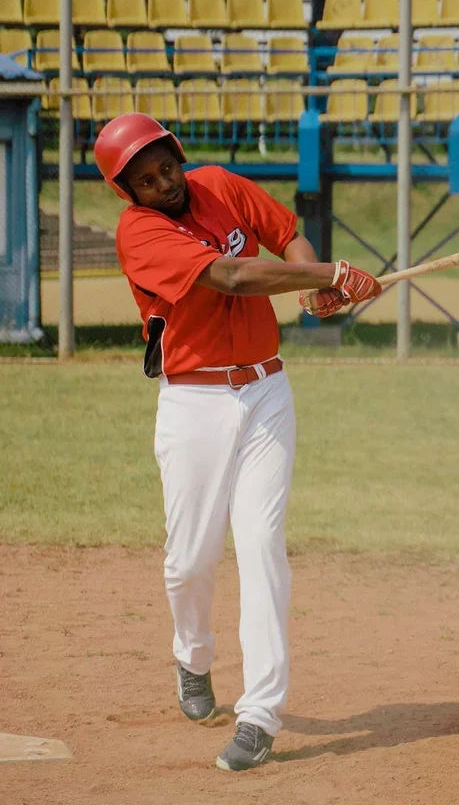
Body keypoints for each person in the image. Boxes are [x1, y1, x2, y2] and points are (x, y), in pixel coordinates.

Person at [94, 113, 380, 771]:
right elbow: (233, 276)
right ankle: (192, 656)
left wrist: (316, 287)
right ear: (128, 192)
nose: (163, 184)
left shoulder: (220, 185)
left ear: (177, 154)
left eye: (166, 167)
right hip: (195, 401)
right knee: (190, 561)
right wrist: (330, 275)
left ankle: (260, 715)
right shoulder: (139, 232)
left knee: (261, 545)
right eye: (145, 180)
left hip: (266, 391)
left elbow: (286, 235)